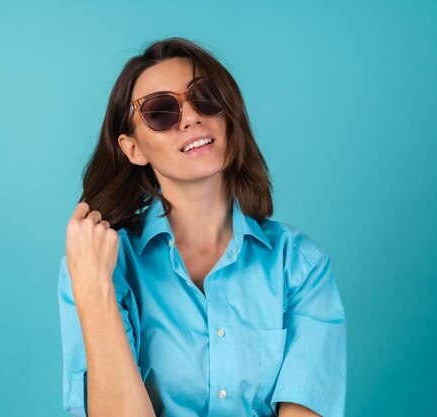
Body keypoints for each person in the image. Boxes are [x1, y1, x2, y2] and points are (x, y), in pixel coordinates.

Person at [58, 37, 346, 417]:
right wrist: (94, 291)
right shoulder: (100, 268)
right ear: (133, 149)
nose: (192, 117)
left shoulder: (301, 266)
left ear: (228, 115)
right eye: (161, 111)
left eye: (205, 97)